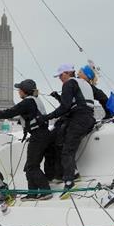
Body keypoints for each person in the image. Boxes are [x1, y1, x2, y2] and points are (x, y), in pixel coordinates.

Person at [0, 79, 52, 200]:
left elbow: (10, 112)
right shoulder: (35, 100)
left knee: (32, 166)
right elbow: (29, 117)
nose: (18, 92)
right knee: (29, 166)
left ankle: (46, 191)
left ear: (24, 91)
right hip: (42, 134)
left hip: (38, 136)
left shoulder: (27, 102)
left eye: (19, 89)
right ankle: (32, 193)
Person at [36, 64, 96, 195]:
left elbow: (65, 107)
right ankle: (73, 173)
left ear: (68, 73)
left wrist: (46, 117)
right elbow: (81, 101)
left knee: (67, 151)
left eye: (61, 75)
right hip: (89, 118)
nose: (60, 79)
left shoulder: (69, 83)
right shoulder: (84, 84)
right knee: (61, 142)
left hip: (79, 119)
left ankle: (70, 183)